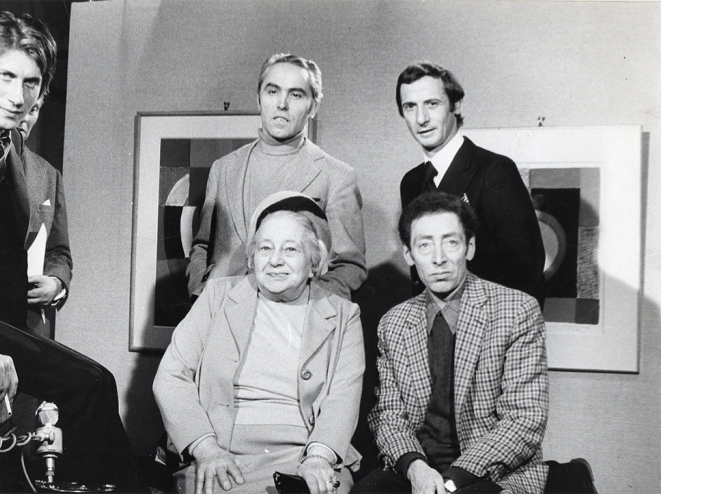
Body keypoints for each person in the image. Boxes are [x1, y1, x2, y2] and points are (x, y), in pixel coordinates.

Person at [0, 12, 140, 490]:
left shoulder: (10, 147)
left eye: (31, 82)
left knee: (94, 384)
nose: (19, 97)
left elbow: (4, 267)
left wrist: (15, 356)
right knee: (87, 388)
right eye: (7, 76)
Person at [155, 192, 365, 494]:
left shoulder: (344, 314)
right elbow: (170, 377)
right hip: (223, 451)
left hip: (305, 454)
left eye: (290, 249)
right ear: (252, 257)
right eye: (265, 248)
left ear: (312, 259)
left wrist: (318, 457)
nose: (275, 260)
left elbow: (344, 395)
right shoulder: (216, 296)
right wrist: (206, 448)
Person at [354, 192, 549, 494]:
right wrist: (415, 467)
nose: (438, 258)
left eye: (451, 242)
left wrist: (453, 480)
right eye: (424, 245)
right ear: (409, 254)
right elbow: (388, 416)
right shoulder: (393, 324)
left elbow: (524, 420)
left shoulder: (516, 310)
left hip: (494, 473)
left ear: (469, 248)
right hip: (419, 470)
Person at [187, 53, 367, 301]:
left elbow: (348, 267)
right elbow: (202, 247)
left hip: (290, 328)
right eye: (273, 91)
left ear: (313, 106)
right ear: (259, 100)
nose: (282, 104)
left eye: (295, 94)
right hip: (220, 318)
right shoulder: (224, 168)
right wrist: (202, 291)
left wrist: (302, 313)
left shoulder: (336, 176)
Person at [396, 61, 545, 306]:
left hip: (488, 330)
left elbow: (526, 273)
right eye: (410, 106)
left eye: (432, 104)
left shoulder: (495, 171)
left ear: (456, 105)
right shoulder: (411, 182)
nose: (421, 118)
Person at [16, 95, 71, 339]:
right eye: (21, 107)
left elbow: (59, 252)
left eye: (34, 109)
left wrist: (56, 284)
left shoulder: (49, 175)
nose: (25, 119)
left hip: (30, 326)